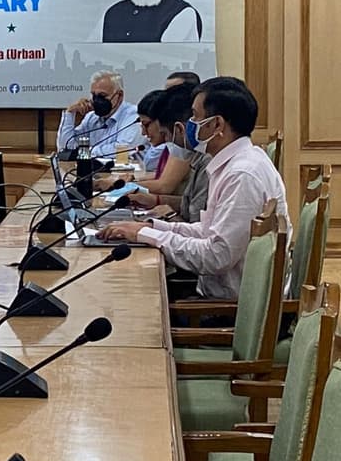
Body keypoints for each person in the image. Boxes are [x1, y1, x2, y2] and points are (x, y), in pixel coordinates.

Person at [99, 77, 289, 300]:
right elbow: (208, 231)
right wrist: (150, 227)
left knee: (128, 296)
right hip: (219, 295)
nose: (189, 123)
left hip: (226, 309)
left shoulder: (242, 175)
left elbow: (217, 256)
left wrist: (145, 235)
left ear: (217, 125)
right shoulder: (235, 163)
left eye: (196, 117)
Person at [128, 82, 210, 222]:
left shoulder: (208, 160)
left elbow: (198, 228)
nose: (167, 141)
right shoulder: (199, 158)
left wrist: (168, 216)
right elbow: (191, 205)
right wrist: (156, 200)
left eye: (165, 134)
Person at [56, 70, 146, 157]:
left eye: (102, 96)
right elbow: (66, 147)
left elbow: (122, 151)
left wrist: (86, 151)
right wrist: (70, 113)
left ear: (119, 96)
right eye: (94, 95)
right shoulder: (91, 117)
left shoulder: (134, 117)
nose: (96, 100)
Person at [137, 90, 168, 172]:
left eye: (146, 125)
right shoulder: (157, 147)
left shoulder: (175, 149)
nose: (143, 133)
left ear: (162, 121)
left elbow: (149, 164)